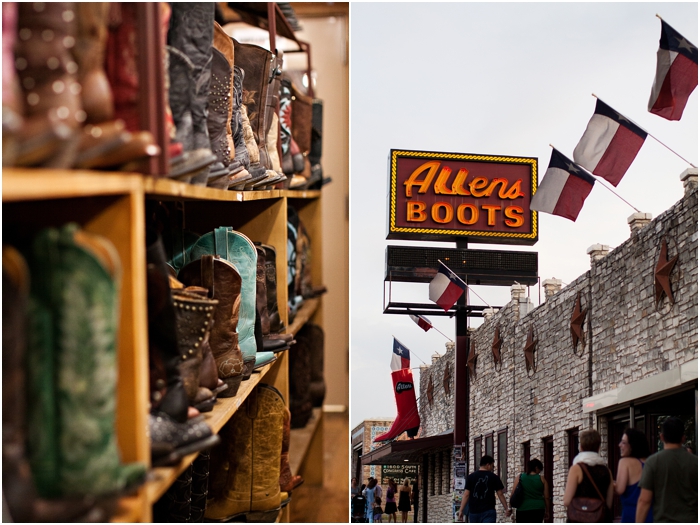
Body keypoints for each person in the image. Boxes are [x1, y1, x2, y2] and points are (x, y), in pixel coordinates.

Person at [636, 416, 698, 523]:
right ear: (683, 438)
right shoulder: (695, 462)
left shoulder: (653, 462)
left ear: (662, 437)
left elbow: (644, 500)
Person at [563, 429, 614, 522]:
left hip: (578, 519)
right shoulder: (607, 471)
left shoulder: (576, 469)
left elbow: (567, 501)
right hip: (600, 519)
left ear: (581, 447)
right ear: (598, 448)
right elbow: (609, 504)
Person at [614, 428, 652, 523]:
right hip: (651, 515)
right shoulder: (651, 462)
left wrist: (610, 482)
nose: (619, 445)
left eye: (623, 442)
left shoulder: (625, 462)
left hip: (631, 515)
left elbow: (619, 489)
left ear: (632, 445)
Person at [457, 455, 510, 523]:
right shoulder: (494, 477)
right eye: (492, 466)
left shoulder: (471, 477)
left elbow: (466, 494)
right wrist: (506, 508)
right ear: (488, 465)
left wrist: (461, 510)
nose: (492, 468)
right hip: (489, 511)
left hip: (474, 512)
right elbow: (500, 494)